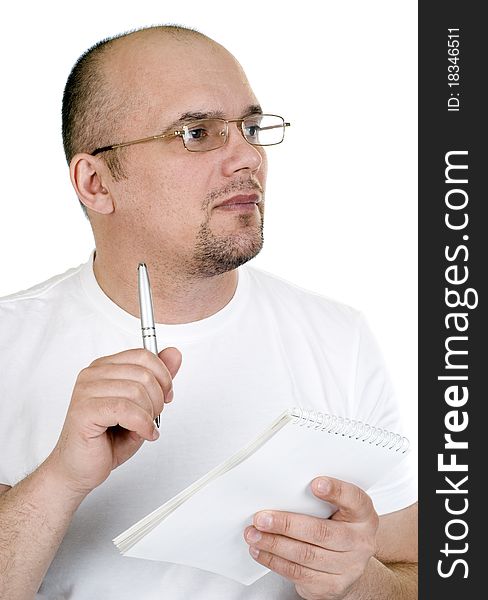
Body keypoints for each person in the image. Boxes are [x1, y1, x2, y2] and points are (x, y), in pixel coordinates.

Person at [0, 25, 417, 600]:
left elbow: (419, 572)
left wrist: (357, 581)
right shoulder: (7, 346)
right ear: (95, 183)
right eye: (196, 133)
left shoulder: (340, 339)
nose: (247, 156)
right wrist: (59, 481)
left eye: (249, 128)